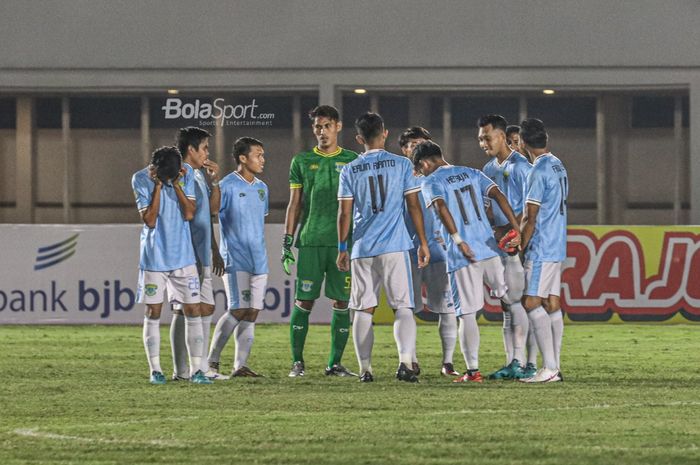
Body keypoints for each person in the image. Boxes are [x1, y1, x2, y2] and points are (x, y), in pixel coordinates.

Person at [413, 140, 521, 383]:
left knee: (467, 315)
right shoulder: (472, 172)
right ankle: (519, 360)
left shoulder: (431, 181)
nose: (421, 174)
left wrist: (458, 239)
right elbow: (498, 194)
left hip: (462, 254)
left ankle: (473, 371)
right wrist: (517, 229)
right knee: (509, 302)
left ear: (425, 163)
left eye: (420, 169)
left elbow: (440, 207)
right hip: (490, 249)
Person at [337, 112, 430, 383]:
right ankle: (404, 363)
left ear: (358, 138)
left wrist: (343, 247)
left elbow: (344, 214)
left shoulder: (350, 169)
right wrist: (422, 242)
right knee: (403, 307)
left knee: (363, 310)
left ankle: (365, 369)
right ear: (385, 133)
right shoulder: (402, 165)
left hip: (362, 248)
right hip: (395, 246)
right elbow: (414, 206)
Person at [282, 105, 358, 378]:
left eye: (327, 126)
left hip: (342, 244)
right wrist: (287, 241)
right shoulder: (301, 161)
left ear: (338, 126)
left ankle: (334, 364)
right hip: (311, 240)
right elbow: (294, 204)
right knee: (304, 301)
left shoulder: (353, 160)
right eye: (317, 127)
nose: (322, 131)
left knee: (342, 303)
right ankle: (297, 363)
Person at [131, 146, 212, 385]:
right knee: (153, 312)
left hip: (183, 257)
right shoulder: (140, 179)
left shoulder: (183, 174)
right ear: (154, 170)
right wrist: (157, 186)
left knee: (193, 310)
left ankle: (197, 370)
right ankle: (155, 370)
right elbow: (150, 220)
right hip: (155, 258)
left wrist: (176, 184)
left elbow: (189, 213)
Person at [398, 127, 458, 377]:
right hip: (407, 250)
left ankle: (448, 362)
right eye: (412, 144)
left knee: (447, 307)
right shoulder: (398, 173)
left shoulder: (446, 173)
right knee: (406, 308)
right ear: (404, 149)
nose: (416, 147)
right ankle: (409, 360)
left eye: (421, 143)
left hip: (441, 250)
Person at [207, 137, 269, 378]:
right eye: (258, 155)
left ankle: (239, 366)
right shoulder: (227, 185)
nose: (262, 159)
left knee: (252, 312)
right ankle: (211, 363)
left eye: (263, 155)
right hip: (235, 258)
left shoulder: (263, 187)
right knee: (238, 308)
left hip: (259, 259)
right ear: (243, 158)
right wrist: (213, 184)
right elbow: (212, 211)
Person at [167, 127, 225, 381]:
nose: (207, 153)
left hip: (202, 251)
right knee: (184, 309)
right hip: (187, 254)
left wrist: (214, 181)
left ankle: (199, 368)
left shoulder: (199, 175)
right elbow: (184, 216)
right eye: (205, 148)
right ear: (191, 150)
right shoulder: (182, 175)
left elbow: (211, 212)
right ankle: (182, 371)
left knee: (206, 306)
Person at [478, 115, 532, 380]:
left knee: (519, 302)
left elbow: (531, 207)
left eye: (486, 137)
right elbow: (488, 209)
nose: (483, 142)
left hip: (517, 242)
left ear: (501, 136)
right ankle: (512, 360)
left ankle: (523, 361)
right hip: (499, 241)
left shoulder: (521, 166)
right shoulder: (488, 169)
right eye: (480, 138)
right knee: (507, 305)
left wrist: (516, 234)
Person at [517, 118, 568, 383]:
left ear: (523, 143)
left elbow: (530, 216)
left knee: (531, 302)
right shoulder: (558, 165)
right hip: (557, 242)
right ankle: (553, 365)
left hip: (543, 245)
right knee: (551, 302)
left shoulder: (536, 171)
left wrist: (520, 246)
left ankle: (549, 367)